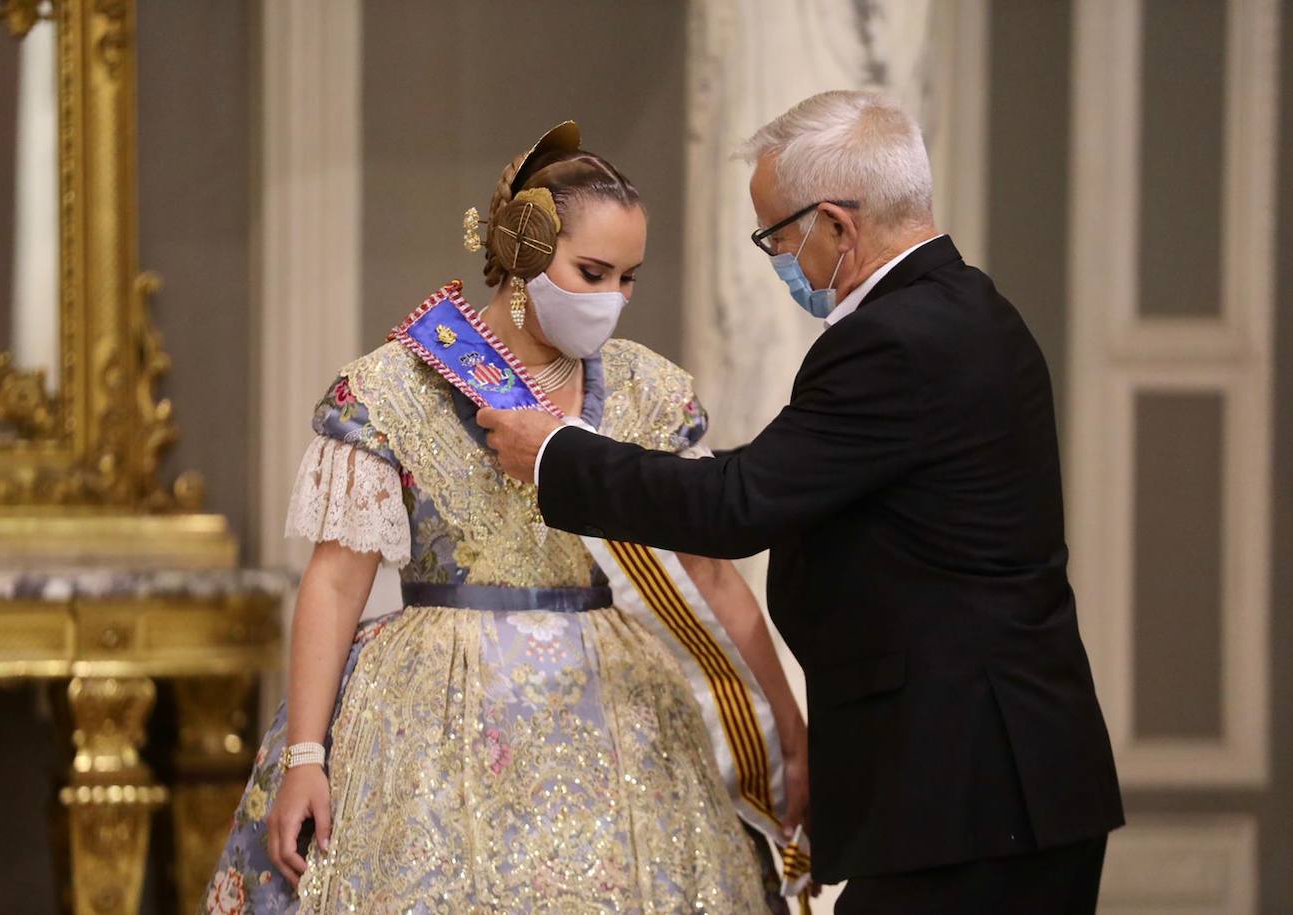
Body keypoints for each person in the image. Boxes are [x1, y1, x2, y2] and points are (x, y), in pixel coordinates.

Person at [480, 91, 1125, 913]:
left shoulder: (897, 337)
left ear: (836, 226)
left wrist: (555, 454)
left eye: (776, 238)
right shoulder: (970, 310)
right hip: (994, 785)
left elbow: (738, 504)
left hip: (969, 797)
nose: (780, 260)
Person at [200, 122, 809, 915]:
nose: (614, 300)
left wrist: (788, 729)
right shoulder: (396, 386)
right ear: (523, 253)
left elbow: (711, 577)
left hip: (618, 708)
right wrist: (307, 756)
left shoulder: (646, 391)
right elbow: (335, 582)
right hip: (431, 720)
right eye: (592, 271)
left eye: (629, 278)